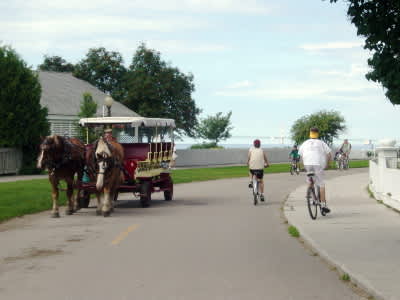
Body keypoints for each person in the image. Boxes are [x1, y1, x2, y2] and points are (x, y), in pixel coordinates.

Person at [299, 127, 332, 213]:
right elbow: (329, 154)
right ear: (317, 134)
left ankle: (311, 199)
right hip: (318, 164)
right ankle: (323, 204)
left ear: (310, 133)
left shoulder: (305, 143)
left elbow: (300, 156)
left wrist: (303, 165)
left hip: (307, 164)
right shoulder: (321, 143)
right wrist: (328, 165)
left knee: (310, 181)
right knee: (321, 184)